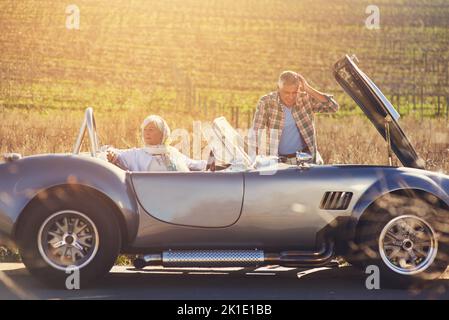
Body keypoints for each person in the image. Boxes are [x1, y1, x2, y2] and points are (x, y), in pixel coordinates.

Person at [250, 70, 339, 164]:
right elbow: (256, 131)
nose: (291, 96)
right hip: (278, 162)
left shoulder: (305, 98)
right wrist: (254, 161)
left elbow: (333, 107)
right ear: (278, 88)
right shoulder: (266, 102)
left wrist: (308, 88)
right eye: (286, 92)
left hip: (306, 160)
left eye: (294, 92)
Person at [107, 115, 206, 171]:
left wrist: (211, 164)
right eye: (144, 130)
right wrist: (111, 153)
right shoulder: (137, 154)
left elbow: (194, 164)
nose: (146, 133)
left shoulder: (173, 152)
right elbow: (115, 153)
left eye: (151, 129)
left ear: (162, 133)